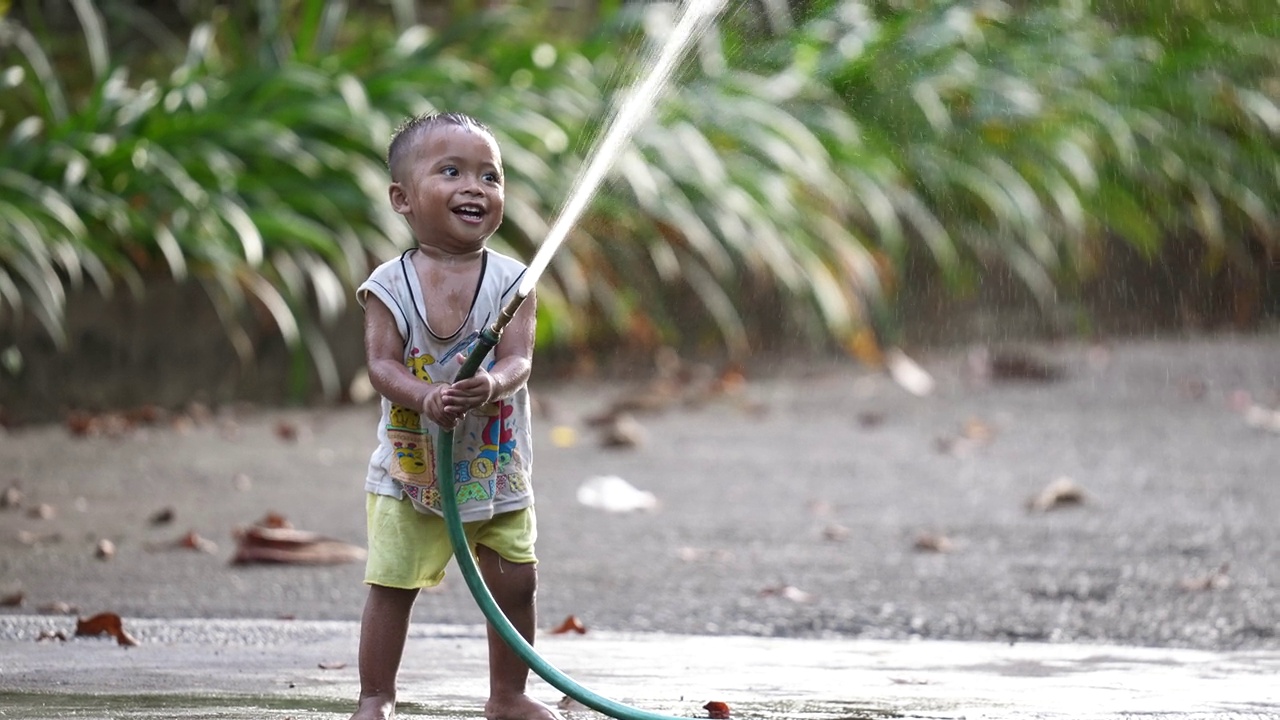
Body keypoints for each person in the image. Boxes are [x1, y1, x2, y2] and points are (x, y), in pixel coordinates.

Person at [350, 112, 559, 720]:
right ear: (403, 199)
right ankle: (376, 694)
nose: (476, 186)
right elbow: (382, 368)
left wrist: (492, 381)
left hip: (493, 468)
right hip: (413, 470)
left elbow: (520, 358)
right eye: (452, 171)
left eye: (489, 176)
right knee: (393, 585)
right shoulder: (389, 285)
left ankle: (508, 695)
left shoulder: (514, 281)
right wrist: (423, 397)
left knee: (516, 584)